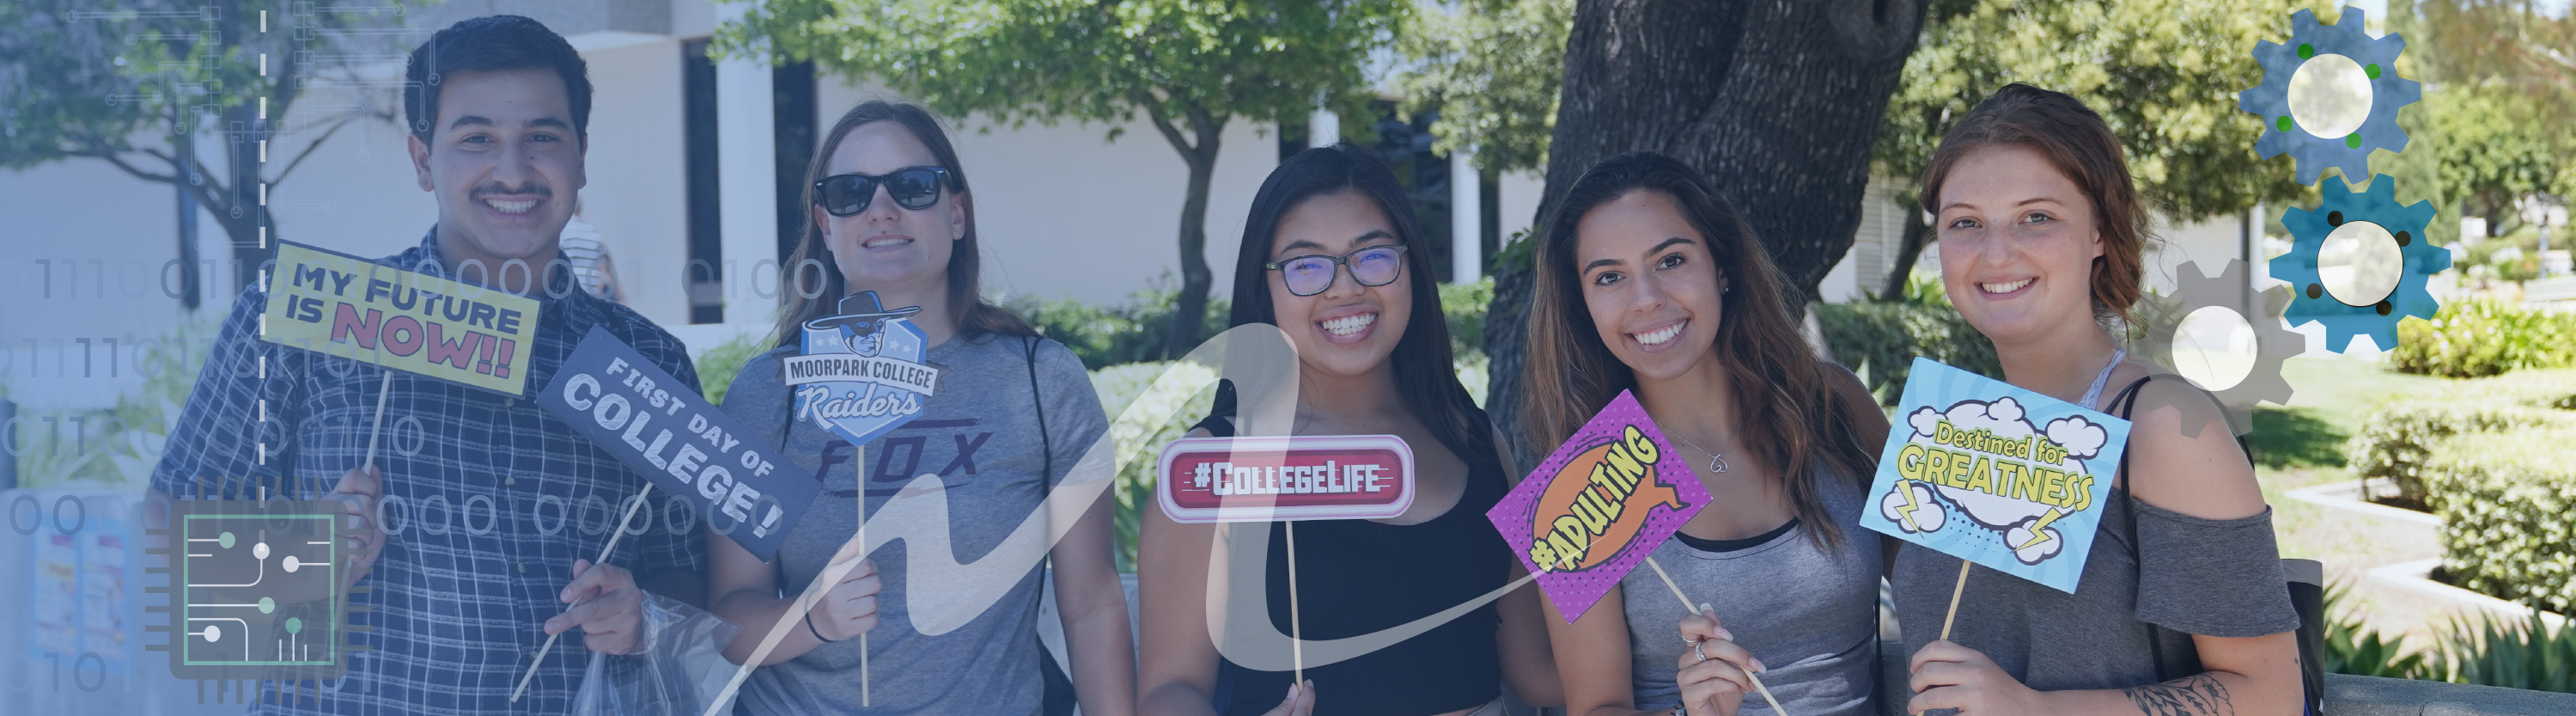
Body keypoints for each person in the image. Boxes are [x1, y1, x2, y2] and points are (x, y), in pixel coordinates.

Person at [146, 15, 706, 713]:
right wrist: (296, 557)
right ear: (421, 160)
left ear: (582, 155)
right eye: (476, 139)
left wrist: (642, 612)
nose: (512, 169)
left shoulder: (650, 361)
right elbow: (164, 542)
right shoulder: (297, 320)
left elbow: (689, 575)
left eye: (542, 137)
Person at [709, 100, 1137, 716]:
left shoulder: (1041, 381)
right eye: (850, 193)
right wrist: (813, 616)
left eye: (912, 186)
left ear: (956, 212)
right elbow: (728, 614)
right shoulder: (768, 393)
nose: (881, 210)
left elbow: (1091, 602)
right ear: (826, 226)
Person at [1891, 83, 2303, 716]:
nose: (1995, 252)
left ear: (2099, 233)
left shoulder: (2165, 425)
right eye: (1965, 223)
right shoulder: (1955, 420)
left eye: (2036, 217)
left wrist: (2034, 708)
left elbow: (2269, 696)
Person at [1136, 144, 1562, 716]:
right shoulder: (1212, 465)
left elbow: (1538, 674)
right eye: (1305, 264)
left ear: (1410, 265)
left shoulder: (1476, 440)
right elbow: (1169, 688)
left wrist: (1684, 658)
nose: (1343, 288)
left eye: (1373, 255)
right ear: (1264, 286)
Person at [1518, 152, 1891, 716]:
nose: (1646, 298)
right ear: (1582, 303)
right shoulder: (1578, 487)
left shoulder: (1832, 404)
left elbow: (1940, 585)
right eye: (1609, 276)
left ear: (1722, 265)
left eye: (1669, 260)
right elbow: (1595, 704)